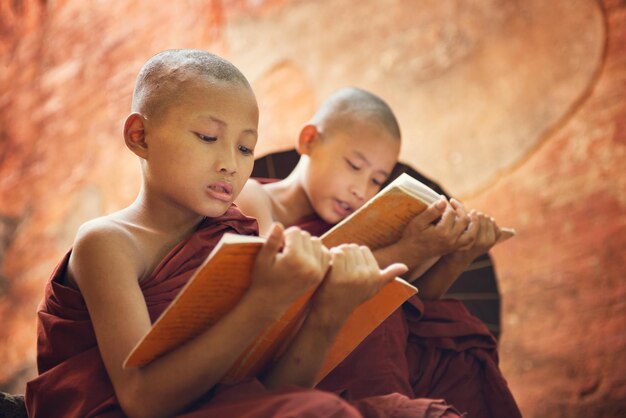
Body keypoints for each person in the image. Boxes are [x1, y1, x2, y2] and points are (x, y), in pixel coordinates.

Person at [25, 50, 462, 418]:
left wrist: (328, 313)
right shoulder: (107, 242)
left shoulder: (237, 233)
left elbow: (271, 389)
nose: (230, 163)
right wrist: (264, 300)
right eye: (208, 136)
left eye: (245, 147)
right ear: (140, 136)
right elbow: (141, 399)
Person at [236, 87, 522, 417]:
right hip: (307, 368)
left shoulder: (361, 223)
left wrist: (457, 255)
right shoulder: (254, 196)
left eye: (377, 180)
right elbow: (295, 286)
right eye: (354, 165)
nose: (361, 190)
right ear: (309, 140)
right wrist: (411, 248)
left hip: (388, 370)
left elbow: (410, 309)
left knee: (452, 344)